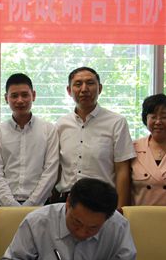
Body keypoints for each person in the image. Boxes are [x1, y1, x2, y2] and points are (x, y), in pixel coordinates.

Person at [0, 178, 136, 260]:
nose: (82, 233)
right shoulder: (37, 222)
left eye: (93, 228)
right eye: (77, 223)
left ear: (107, 218)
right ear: (68, 203)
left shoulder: (118, 226)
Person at [55, 67, 135, 208]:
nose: (84, 89)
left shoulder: (116, 122)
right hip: (67, 200)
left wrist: (120, 208)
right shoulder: (61, 124)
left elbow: (122, 170)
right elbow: (58, 167)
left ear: (100, 88)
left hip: (102, 201)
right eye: (78, 84)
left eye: (90, 83)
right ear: (69, 90)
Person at [0, 73, 59, 206]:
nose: (20, 100)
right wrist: (12, 206)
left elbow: (50, 171)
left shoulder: (48, 130)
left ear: (34, 95)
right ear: (6, 98)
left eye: (25, 95)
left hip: (40, 204)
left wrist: (30, 204)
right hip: (4, 205)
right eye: (14, 96)